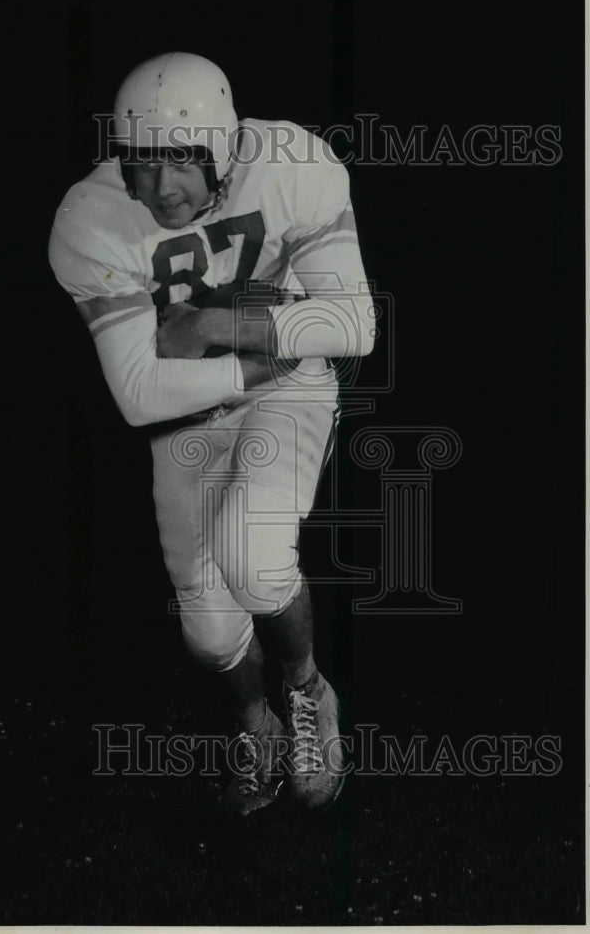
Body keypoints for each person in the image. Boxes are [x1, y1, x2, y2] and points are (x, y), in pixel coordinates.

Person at [48, 52, 374, 815]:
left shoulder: (292, 164)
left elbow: (355, 325)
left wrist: (217, 325)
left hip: (285, 388)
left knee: (254, 557)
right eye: (144, 163)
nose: (163, 188)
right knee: (205, 623)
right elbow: (137, 393)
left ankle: (305, 692)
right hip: (200, 401)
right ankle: (249, 719)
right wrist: (260, 358)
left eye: (183, 163)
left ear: (221, 149)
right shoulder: (90, 218)